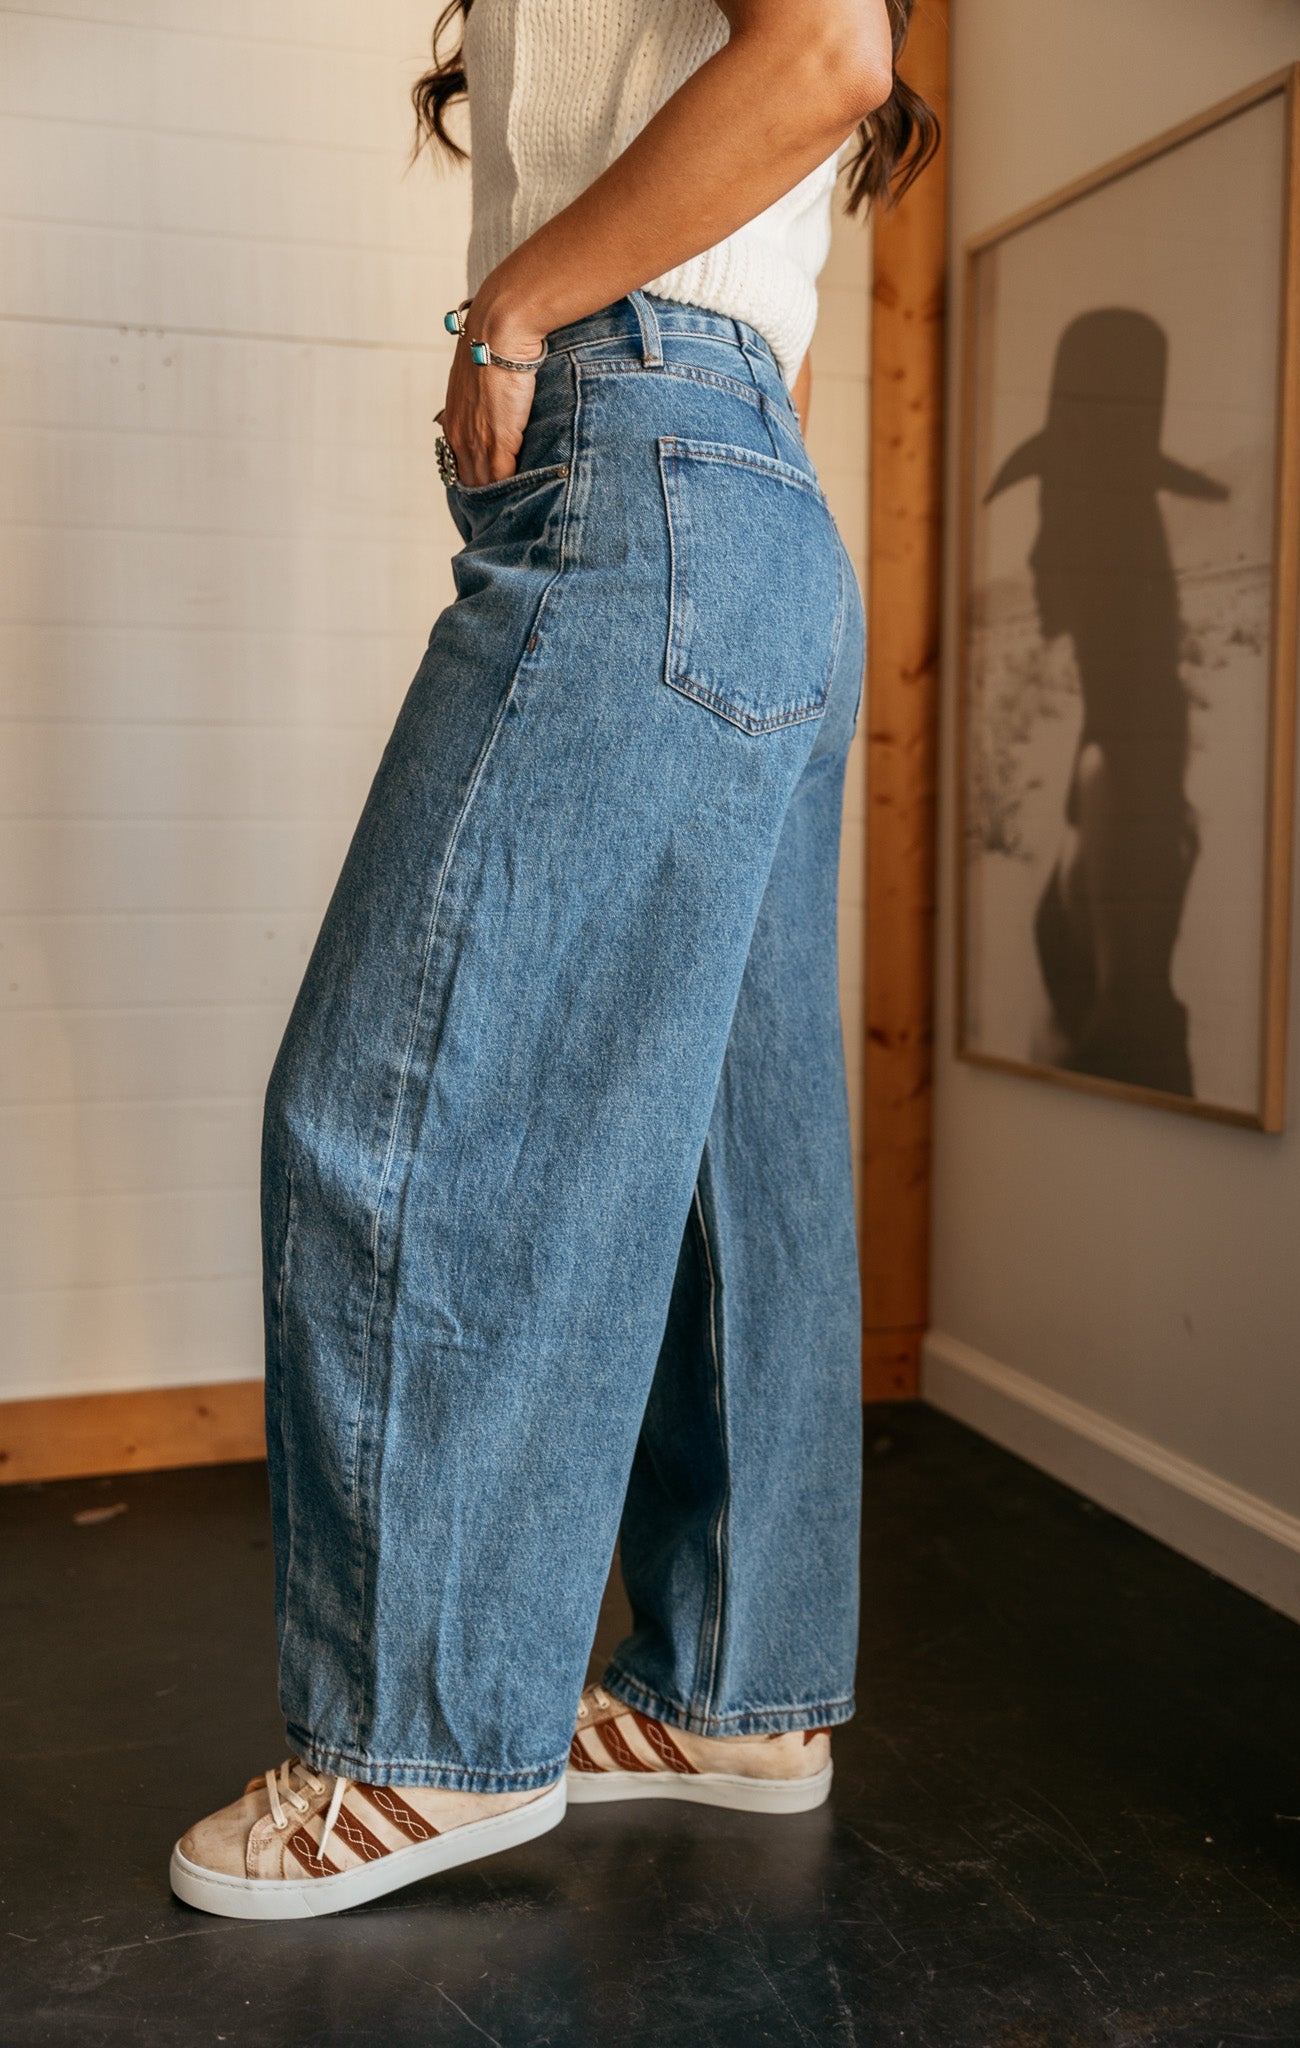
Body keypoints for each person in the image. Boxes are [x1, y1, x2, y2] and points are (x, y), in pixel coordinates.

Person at [169, 0, 937, 1920]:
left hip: (646, 453)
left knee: (399, 1101)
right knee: (722, 1152)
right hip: (757, 492)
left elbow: (831, 51)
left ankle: (414, 1741)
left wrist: (514, 302)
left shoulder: (573, 304)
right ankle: (733, 1683)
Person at [985, 308, 1229, 1099]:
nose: (1032, 550)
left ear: (1099, 540)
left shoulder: (1121, 773)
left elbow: (1135, 1037)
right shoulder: (1117, 746)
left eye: (1053, 516)